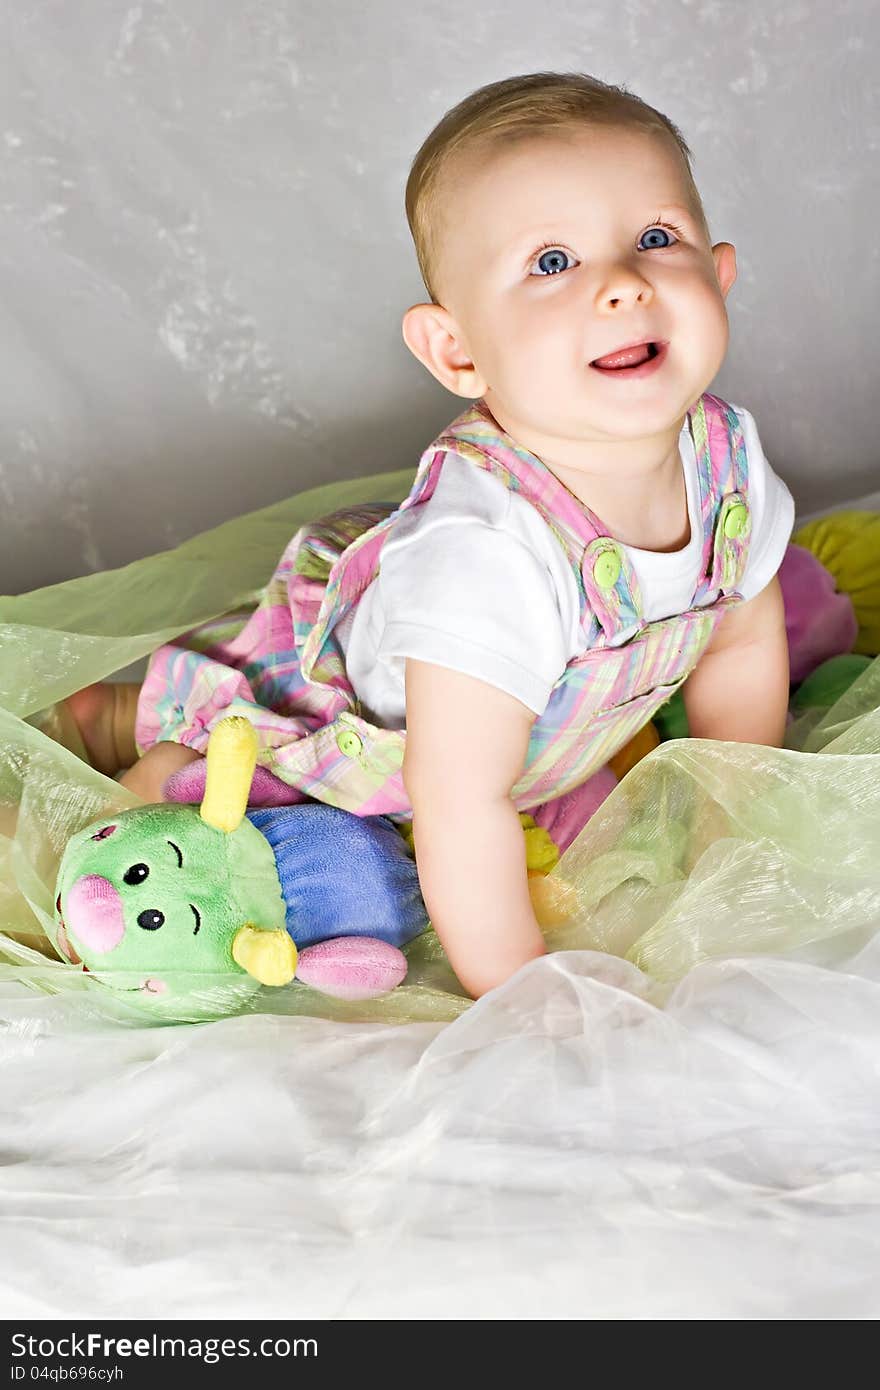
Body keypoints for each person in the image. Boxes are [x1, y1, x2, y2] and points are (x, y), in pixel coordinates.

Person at [64, 72, 795, 999]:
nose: (621, 284)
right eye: (551, 263)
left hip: (509, 731)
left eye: (655, 238)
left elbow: (740, 632)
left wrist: (728, 811)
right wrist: (521, 986)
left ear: (719, 276)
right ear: (458, 351)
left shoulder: (725, 454)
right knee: (223, 760)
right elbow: (458, 803)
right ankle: (105, 721)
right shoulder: (486, 557)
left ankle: (116, 712)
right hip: (365, 722)